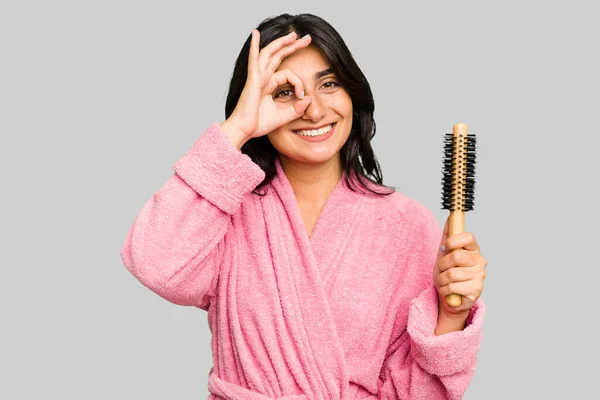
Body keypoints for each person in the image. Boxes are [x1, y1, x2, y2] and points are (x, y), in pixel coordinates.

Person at [120, 13, 487, 400]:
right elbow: (156, 265)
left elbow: (415, 393)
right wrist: (238, 129)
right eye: (284, 92)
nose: (312, 110)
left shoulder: (408, 226)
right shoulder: (225, 212)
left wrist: (450, 316)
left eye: (329, 83)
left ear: (352, 94)